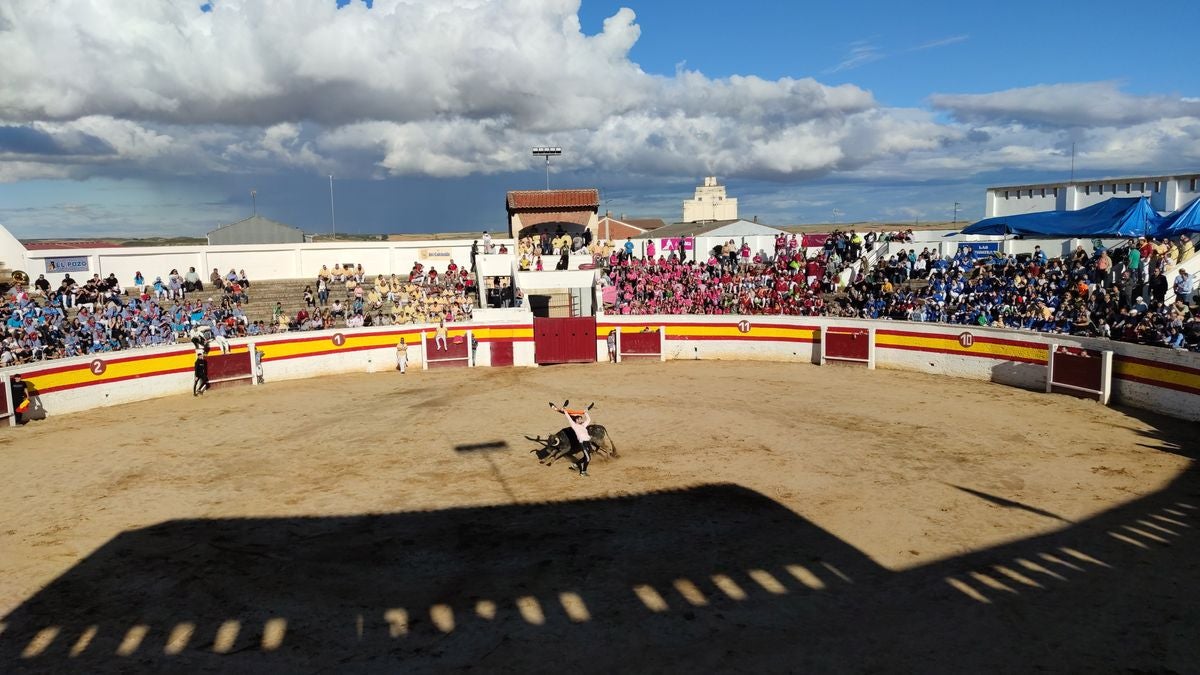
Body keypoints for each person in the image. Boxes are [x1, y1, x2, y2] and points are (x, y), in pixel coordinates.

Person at [552, 403, 593, 477]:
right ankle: (583, 472)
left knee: (587, 457)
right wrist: (565, 411)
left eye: (581, 419)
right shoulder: (574, 425)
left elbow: (589, 419)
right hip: (583, 443)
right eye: (579, 419)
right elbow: (568, 418)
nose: (580, 420)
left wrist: (586, 412)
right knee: (588, 458)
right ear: (576, 420)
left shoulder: (583, 425)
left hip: (588, 443)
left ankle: (575, 465)